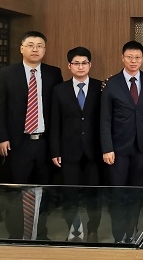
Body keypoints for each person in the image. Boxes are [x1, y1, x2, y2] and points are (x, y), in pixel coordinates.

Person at [0, 31, 63, 240]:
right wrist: (1, 137)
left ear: (45, 50)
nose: (35, 49)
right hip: (17, 143)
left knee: (44, 190)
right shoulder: (7, 73)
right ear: (21, 48)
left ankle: (40, 233)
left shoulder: (53, 73)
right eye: (30, 45)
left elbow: (58, 109)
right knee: (16, 191)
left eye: (40, 45)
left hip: (44, 143)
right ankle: (16, 235)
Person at [100, 40, 143, 243]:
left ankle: (132, 233)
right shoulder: (111, 83)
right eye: (129, 57)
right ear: (122, 58)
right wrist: (107, 148)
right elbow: (104, 119)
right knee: (118, 193)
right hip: (117, 150)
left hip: (141, 148)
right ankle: (118, 235)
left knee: (136, 193)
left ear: (142, 59)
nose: (133, 61)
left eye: (137, 57)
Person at [50, 47, 103, 242]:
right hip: (68, 151)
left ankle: (93, 230)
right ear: (69, 66)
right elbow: (54, 122)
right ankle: (73, 229)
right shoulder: (59, 90)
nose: (80, 67)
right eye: (76, 63)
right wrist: (55, 150)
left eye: (84, 63)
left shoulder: (100, 87)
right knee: (70, 194)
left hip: (94, 151)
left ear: (90, 64)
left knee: (94, 195)